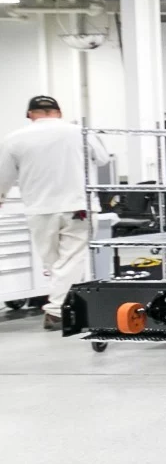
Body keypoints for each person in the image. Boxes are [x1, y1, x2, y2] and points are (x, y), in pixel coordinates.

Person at [0, 95, 110, 329]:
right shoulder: (80, 132)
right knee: (70, 261)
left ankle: (61, 308)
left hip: (39, 209)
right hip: (78, 206)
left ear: (30, 114)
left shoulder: (13, 139)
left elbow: (3, 177)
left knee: (53, 262)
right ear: (58, 112)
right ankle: (58, 311)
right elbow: (102, 159)